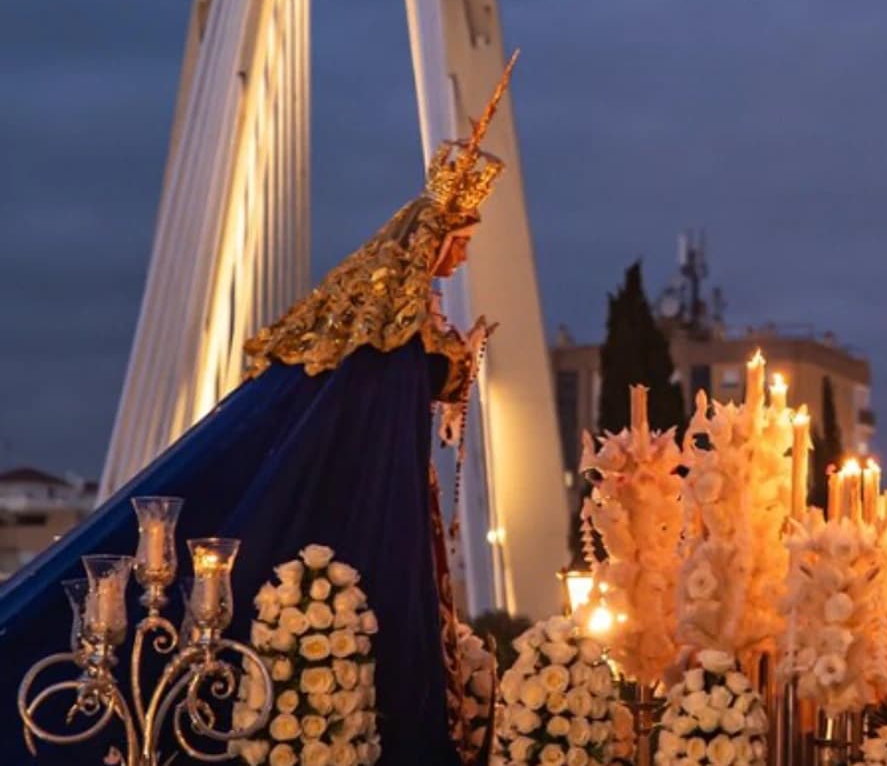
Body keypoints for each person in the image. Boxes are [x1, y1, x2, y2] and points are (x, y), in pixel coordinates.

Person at [0, 57, 516, 765]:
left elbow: (413, 387)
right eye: (459, 240)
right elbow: (390, 398)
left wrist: (453, 369)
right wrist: (453, 366)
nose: (460, 256)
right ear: (431, 238)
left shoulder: (396, 322)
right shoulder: (390, 332)